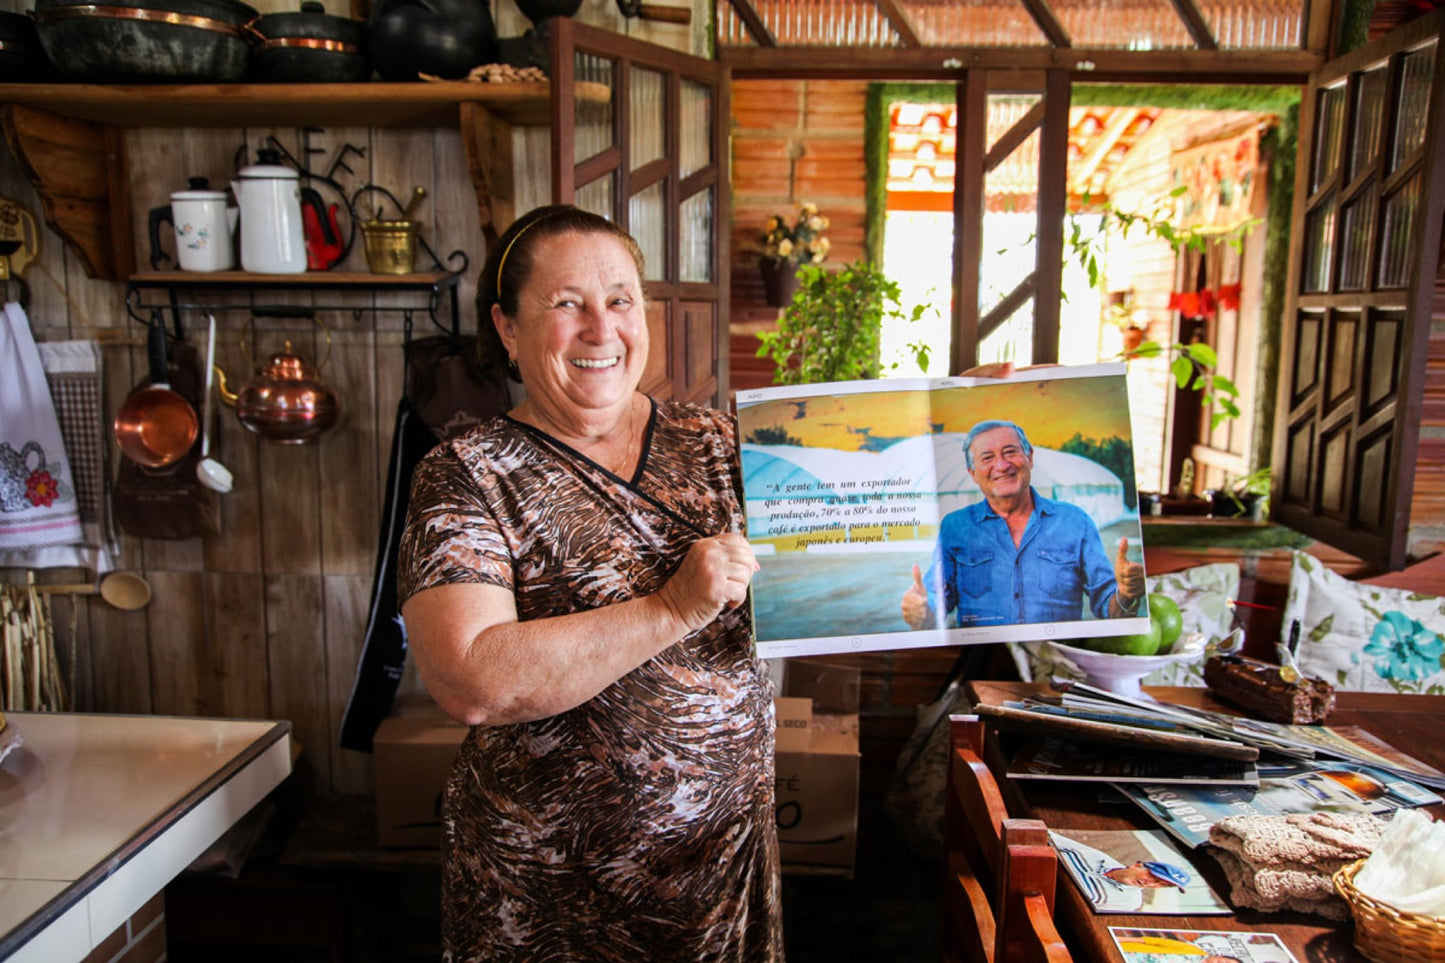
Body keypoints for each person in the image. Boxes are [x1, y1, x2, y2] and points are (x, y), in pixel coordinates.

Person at [397, 205, 781, 961]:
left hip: (717, 874)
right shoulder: (467, 472)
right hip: (548, 893)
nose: (601, 330)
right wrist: (672, 606)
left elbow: (870, 529)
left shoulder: (721, 445)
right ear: (508, 329)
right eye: (566, 304)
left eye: (620, 300)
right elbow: (471, 677)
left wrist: (964, 412)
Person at [900, 418, 1145, 629]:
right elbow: (937, 600)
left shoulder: (1075, 522)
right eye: (987, 458)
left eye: (1010, 452)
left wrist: (1126, 593)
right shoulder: (956, 527)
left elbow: (1110, 609)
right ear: (972, 473)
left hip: (1059, 662)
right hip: (982, 661)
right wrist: (921, 611)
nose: (1002, 465)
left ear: (1029, 457)